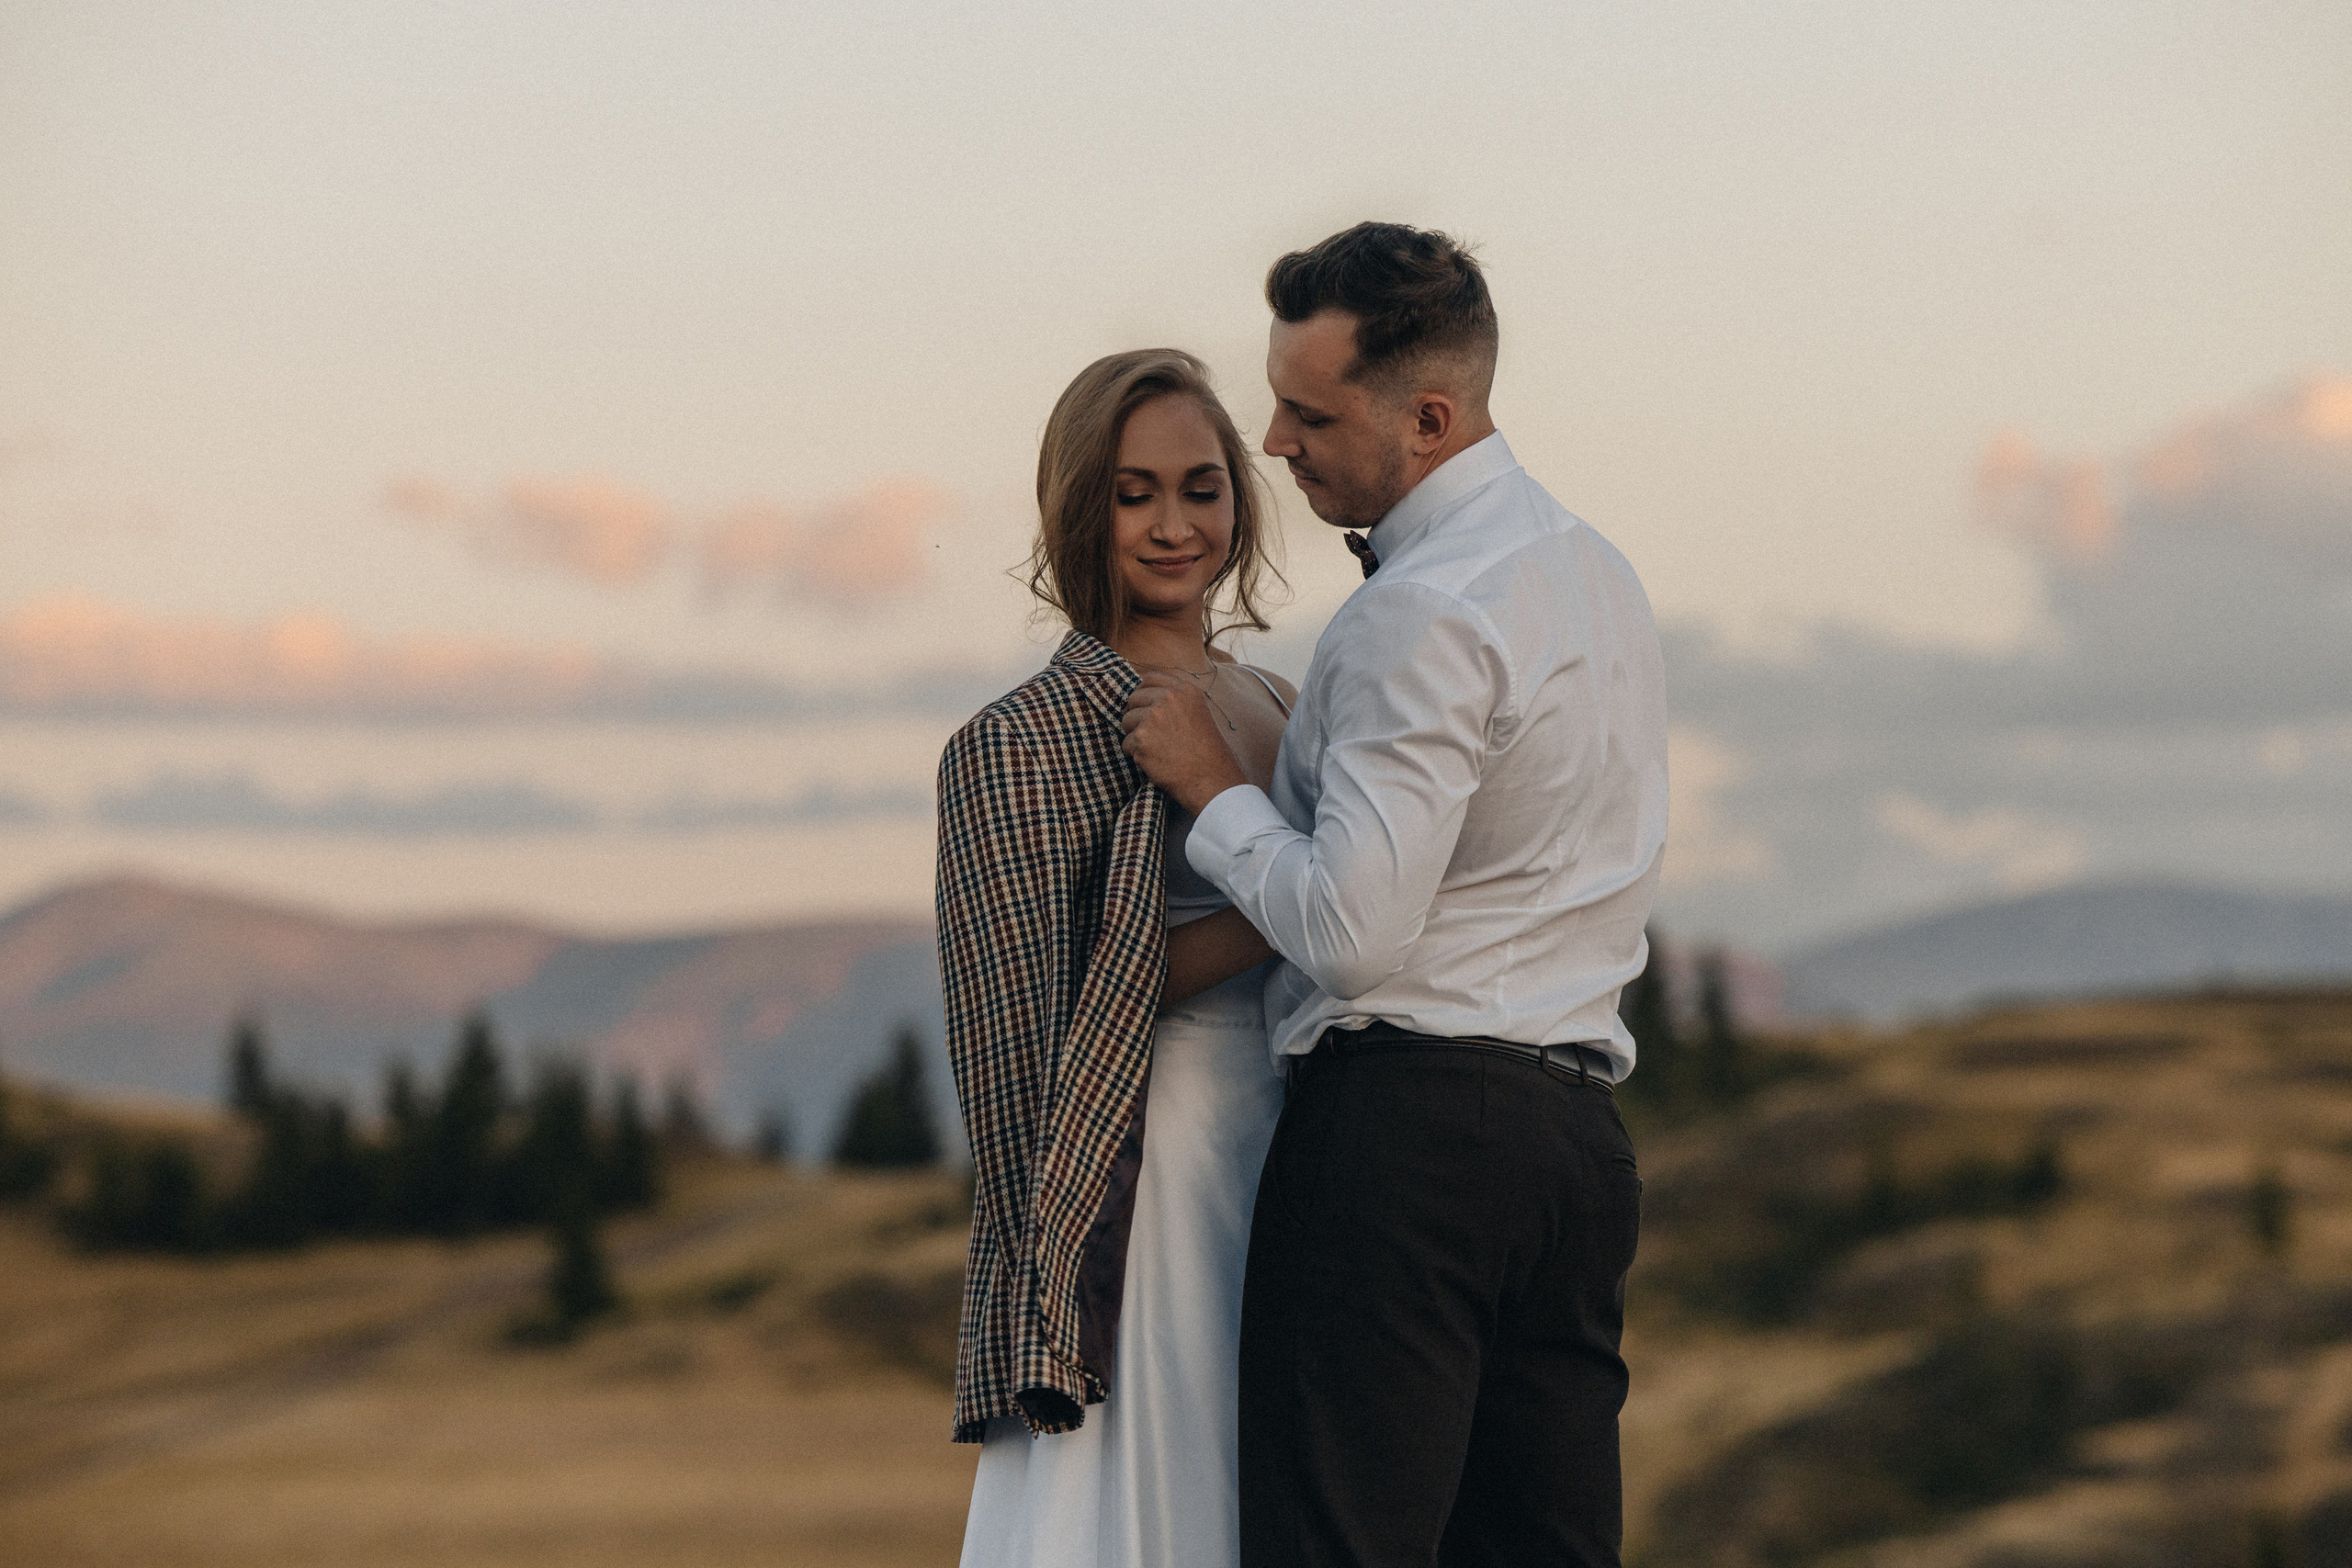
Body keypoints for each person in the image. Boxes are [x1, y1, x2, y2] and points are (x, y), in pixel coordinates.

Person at [1122, 222, 1668, 1567]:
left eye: (1309, 413)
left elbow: (1356, 938)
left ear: (1427, 417)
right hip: (1575, 1154)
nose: (1273, 442)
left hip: (1405, 1148)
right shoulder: (1599, 576)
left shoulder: (1413, 611)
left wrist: (1217, 790)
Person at [939, 347, 1298, 1568]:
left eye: (1201, 488)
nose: (1173, 524)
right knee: (1160, 1492)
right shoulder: (1017, 743)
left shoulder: (1284, 703)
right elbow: (1041, 1027)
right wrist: (1323, 905)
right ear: (1078, 507)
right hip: (1152, 1168)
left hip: (1301, 1136)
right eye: (1134, 492)